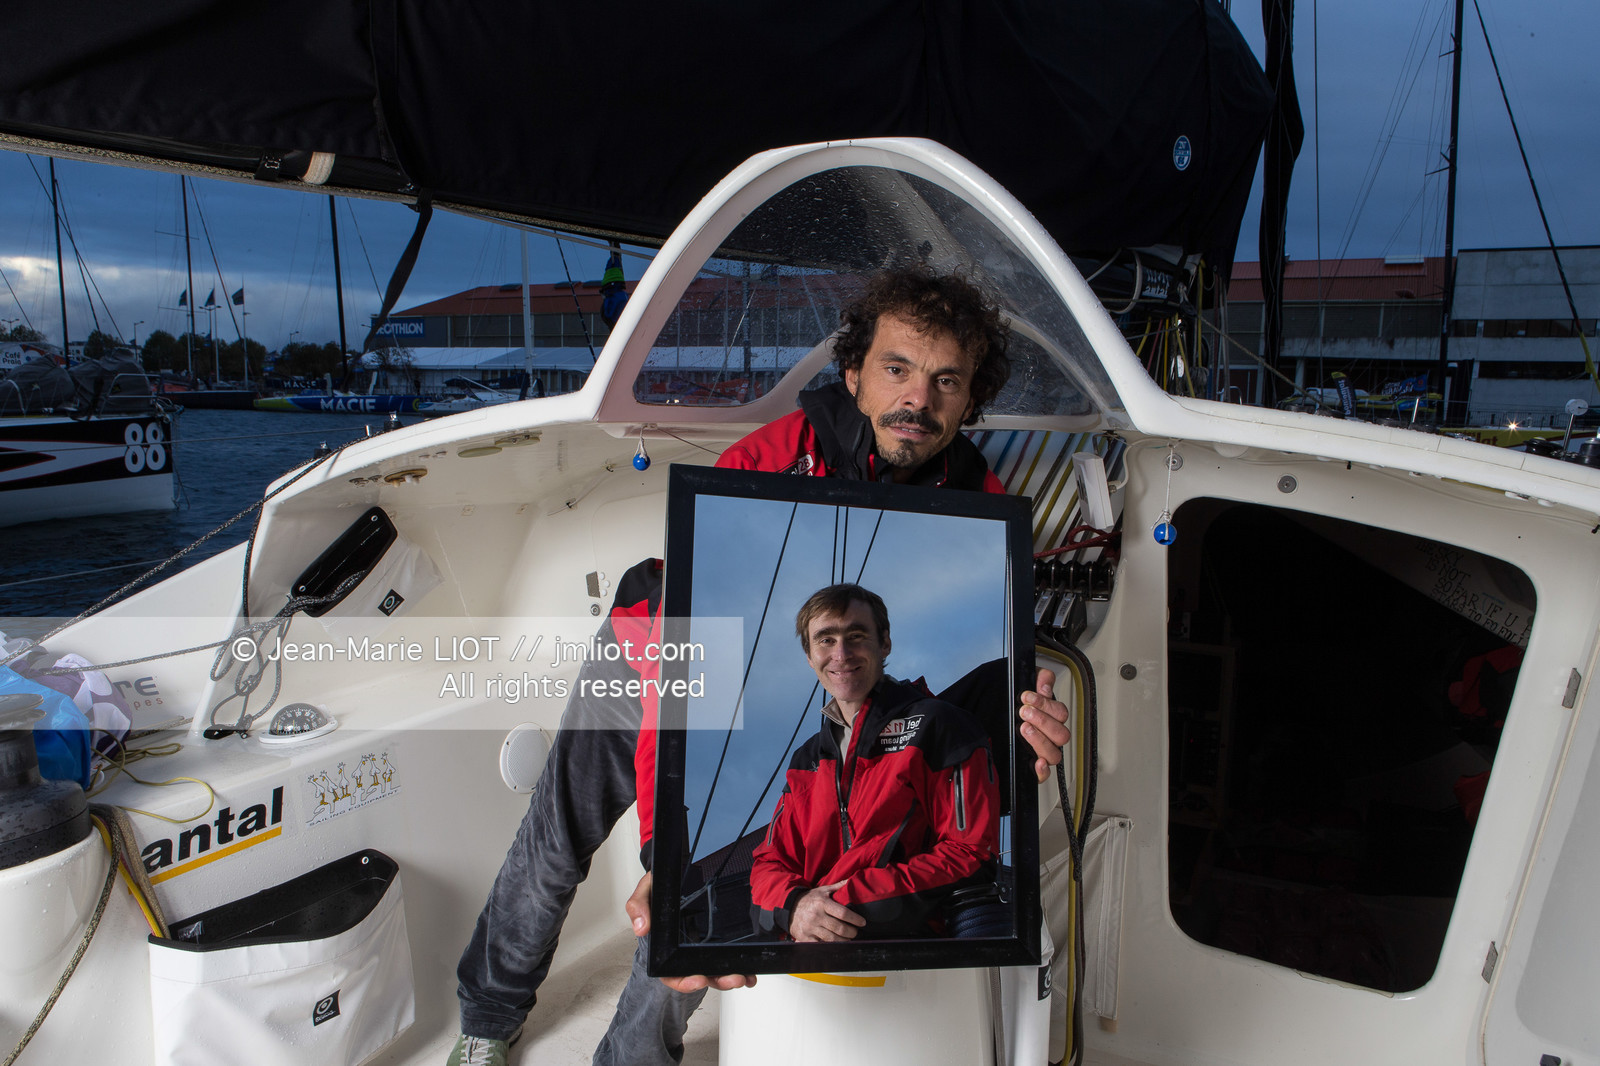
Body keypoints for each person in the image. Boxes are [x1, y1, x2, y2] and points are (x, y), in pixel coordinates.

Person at [448, 267, 1074, 1066]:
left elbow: (995, 676)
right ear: (853, 375)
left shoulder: (981, 504)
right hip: (656, 651)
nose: (919, 398)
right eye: (897, 369)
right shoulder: (778, 457)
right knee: (566, 836)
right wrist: (660, 849)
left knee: (699, 893)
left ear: (968, 397)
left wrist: (1028, 721)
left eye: (946, 380)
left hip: (757, 681)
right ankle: (488, 1015)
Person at [749, 584, 1000, 942]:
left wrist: (836, 904)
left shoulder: (939, 726)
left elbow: (970, 854)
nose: (841, 653)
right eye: (825, 639)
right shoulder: (807, 760)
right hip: (808, 966)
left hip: (913, 961)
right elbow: (769, 861)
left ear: (885, 644)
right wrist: (795, 906)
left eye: (856, 635)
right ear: (809, 656)